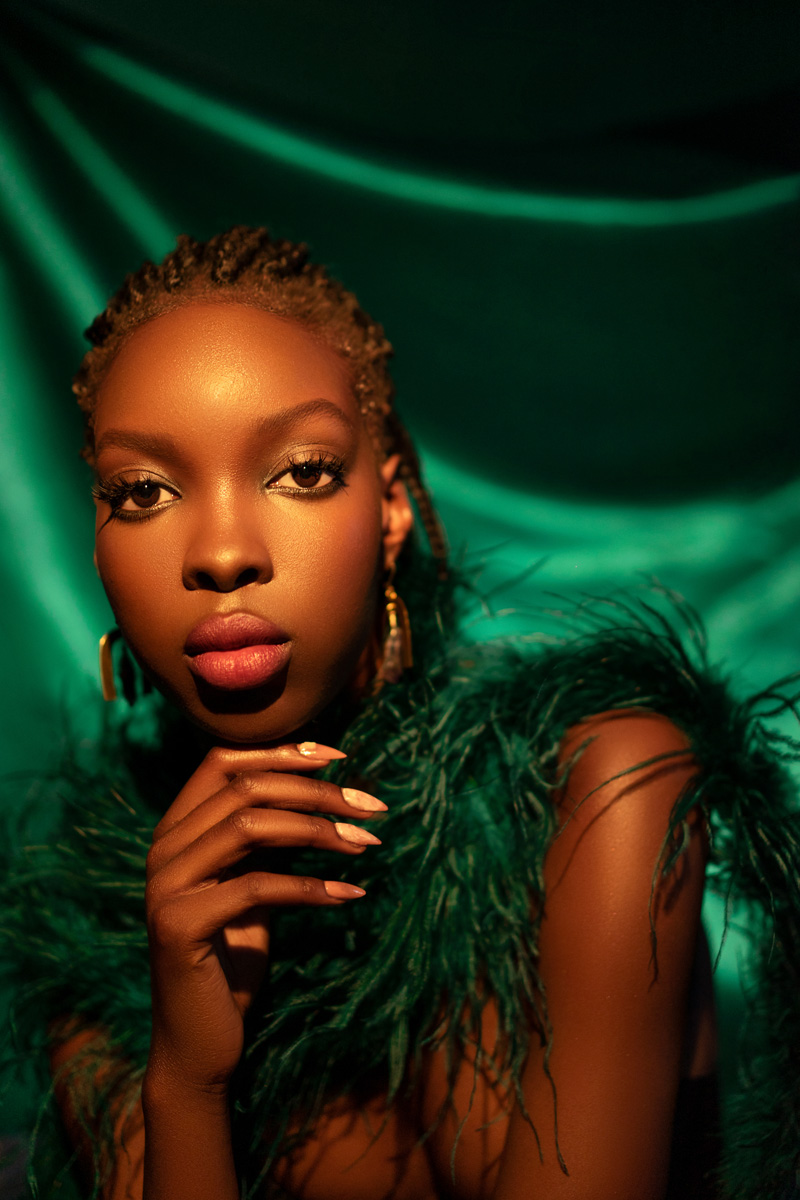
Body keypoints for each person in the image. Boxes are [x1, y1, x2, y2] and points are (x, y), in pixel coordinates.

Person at [1, 226, 798, 1200]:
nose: (220, 553)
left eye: (301, 472)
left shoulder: (601, 790)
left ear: (390, 513)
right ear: (95, 547)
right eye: (142, 491)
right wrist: (187, 1083)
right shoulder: (100, 931)